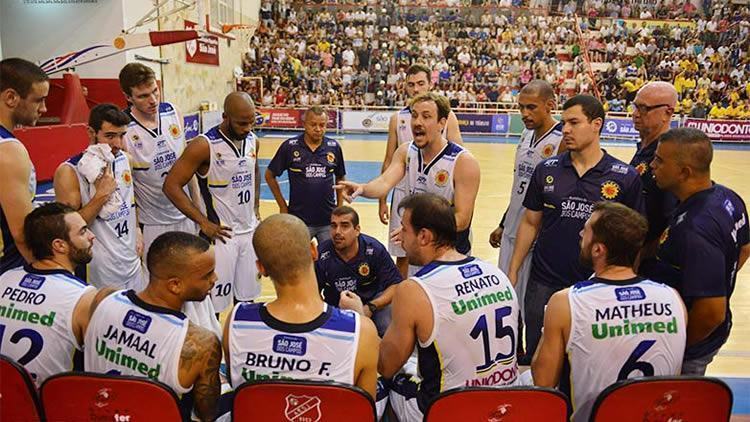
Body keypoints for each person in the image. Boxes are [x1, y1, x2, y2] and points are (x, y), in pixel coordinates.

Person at [341, 193, 519, 421]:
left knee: (382, 383)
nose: (399, 238)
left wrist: (360, 316)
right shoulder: (496, 273)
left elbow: (385, 364)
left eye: (404, 230)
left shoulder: (415, 290)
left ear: (424, 236)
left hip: (450, 411)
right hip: (506, 405)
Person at [509, 94, 645, 362]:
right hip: (543, 281)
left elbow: (634, 238)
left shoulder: (624, 177)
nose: (566, 130)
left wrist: (629, 279)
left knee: (589, 358)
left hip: (596, 285)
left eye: (573, 122)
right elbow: (530, 222)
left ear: (597, 124)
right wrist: (513, 270)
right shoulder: (546, 170)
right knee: (539, 354)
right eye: (563, 123)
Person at [532, 202, 686, 422]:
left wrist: (549, 325)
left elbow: (543, 383)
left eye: (586, 229)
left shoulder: (566, 302)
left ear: (598, 249)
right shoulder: (673, 298)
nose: (580, 233)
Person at [222, 213, 379, 399]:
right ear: (314, 251)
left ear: (261, 268)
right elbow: (364, 409)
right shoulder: (361, 331)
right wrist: (359, 315)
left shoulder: (236, 322)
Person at [643, 128, 750, 375]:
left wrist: (676, 346)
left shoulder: (696, 229)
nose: (652, 165)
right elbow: (744, 248)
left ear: (684, 172)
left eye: (659, 160)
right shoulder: (727, 196)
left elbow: (712, 313)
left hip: (686, 349)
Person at [84, 231, 221, 421]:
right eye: (207, 275)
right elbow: (206, 414)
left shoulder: (104, 298)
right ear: (175, 285)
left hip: (98, 412)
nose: (215, 279)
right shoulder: (200, 343)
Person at [336, 92, 480, 255]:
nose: (417, 122)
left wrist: (419, 229)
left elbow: (462, 219)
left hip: (450, 252)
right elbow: (384, 183)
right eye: (414, 116)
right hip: (419, 249)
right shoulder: (406, 151)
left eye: (426, 117)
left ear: (442, 123)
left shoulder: (463, 162)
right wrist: (362, 189)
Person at [164, 92, 261, 312]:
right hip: (221, 236)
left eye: (251, 122)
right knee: (213, 306)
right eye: (242, 123)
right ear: (225, 117)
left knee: (247, 302)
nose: (247, 128)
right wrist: (203, 222)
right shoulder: (204, 145)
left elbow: (254, 170)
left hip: (248, 233)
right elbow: (171, 185)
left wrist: (255, 207)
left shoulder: (253, 140)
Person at [488, 80, 564, 359]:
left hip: (534, 235)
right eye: (521, 107)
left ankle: (530, 355)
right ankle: (511, 349)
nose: (524, 113)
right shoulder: (525, 136)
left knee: (528, 301)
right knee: (508, 295)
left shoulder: (560, 140)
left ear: (550, 105)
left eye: (531, 107)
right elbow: (520, 185)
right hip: (512, 228)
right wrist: (503, 220)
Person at [0, 203, 97, 385]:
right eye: (83, 232)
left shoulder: (5, 277)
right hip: (46, 405)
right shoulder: (83, 297)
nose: (92, 236)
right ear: (59, 245)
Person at [381, 63, 463, 277]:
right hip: (403, 192)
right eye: (411, 85)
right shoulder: (398, 118)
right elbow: (389, 159)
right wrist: (382, 199)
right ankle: (405, 292)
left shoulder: (447, 117)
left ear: (430, 84)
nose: (415, 89)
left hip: (435, 191)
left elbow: (458, 154)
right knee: (403, 254)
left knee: (433, 250)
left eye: (420, 84)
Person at [54, 104, 144, 289]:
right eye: (110, 136)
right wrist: (101, 195)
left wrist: (137, 228)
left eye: (121, 135)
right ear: (91, 132)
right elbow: (67, 230)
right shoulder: (69, 172)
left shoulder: (125, 159)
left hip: (130, 261)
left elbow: (131, 201)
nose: (117, 144)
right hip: (97, 268)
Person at [119, 63, 198, 253]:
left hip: (185, 215)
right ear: (128, 97)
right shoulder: (124, 130)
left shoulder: (173, 112)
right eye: (143, 96)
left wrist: (199, 210)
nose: (153, 100)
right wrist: (136, 228)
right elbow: (126, 190)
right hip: (153, 223)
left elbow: (189, 167)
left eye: (155, 91)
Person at [315, 206, 402, 337]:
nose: (337, 231)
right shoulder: (321, 254)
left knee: (387, 329)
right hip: (336, 308)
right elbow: (311, 291)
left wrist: (371, 307)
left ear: (357, 230)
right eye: (333, 226)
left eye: (344, 226)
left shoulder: (374, 250)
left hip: (372, 304)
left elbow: (395, 285)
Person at [265, 106, 346, 244]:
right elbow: (269, 175)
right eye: (313, 124)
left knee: (327, 261)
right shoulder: (290, 146)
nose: (318, 129)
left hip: (327, 220)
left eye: (322, 125)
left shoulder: (333, 147)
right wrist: (282, 206)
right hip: (298, 220)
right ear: (304, 124)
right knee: (296, 261)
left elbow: (340, 177)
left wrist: (339, 207)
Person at [0, 58, 49, 274]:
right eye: (38, 100)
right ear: (11, 97)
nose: (44, 108)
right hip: (8, 269)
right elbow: (22, 232)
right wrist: (51, 273)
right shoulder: (8, 149)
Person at [629, 82, 679, 255]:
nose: (635, 114)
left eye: (644, 109)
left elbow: (672, 222)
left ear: (668, 112)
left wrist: (643, 255)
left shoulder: (670, 156)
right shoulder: (644, 148)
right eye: (635, 106)